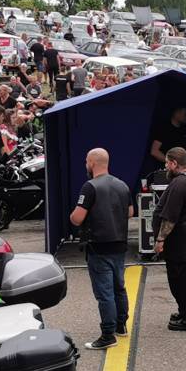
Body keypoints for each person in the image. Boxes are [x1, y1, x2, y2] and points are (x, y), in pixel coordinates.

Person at [71, 149, 133, 350]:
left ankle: (107, 334)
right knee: (119, 287)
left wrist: (73, 216)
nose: (85, 165)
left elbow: (78, 218)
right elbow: (130, 212)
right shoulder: (122, 185)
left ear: (91, 162)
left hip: (98, 246)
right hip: (119, 244)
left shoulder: (90, 187)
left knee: (104, 293)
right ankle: (121, 325)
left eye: (86, 161)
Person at [153, 148, 186, 332]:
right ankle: (185, 312)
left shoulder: (180, 183)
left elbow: (170, 217)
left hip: (181, 238)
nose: (165, 167)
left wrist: (160, 239)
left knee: (180, 278)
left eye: (167, 163)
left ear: (174, 163)